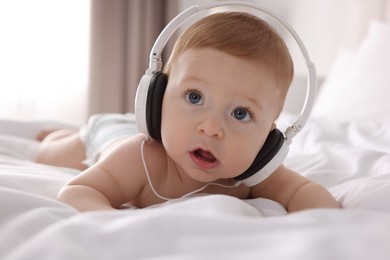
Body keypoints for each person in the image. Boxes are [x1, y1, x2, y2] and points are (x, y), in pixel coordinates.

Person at [36, 12, 340, 212]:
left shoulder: (251, 174)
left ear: (268, 139)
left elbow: (306, 193)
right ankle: (60, 135)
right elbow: (79, 191)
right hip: (110, 135)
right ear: (157, 97)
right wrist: (115, 227)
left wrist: (321, 224)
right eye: (194, 96)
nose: (211, 128)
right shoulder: (139, 158)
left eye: (240, 114)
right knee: (52, 152)